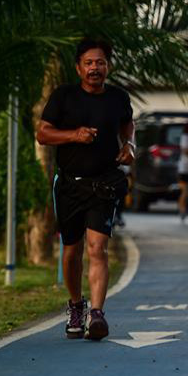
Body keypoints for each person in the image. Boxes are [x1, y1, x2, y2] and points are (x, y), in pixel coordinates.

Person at [36, 38, 134, 341]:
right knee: (71, 251)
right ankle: (77, 305)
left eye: (100, 62)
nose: (95, 68)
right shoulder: (64, 96)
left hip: (104, 183)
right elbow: (43, 133)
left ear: (108, 66)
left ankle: (97, 314)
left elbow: (127, 125)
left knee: (97, 248)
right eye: (89, 63)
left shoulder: (118, 97)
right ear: (79, 68)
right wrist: (74, 135)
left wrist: (129, 146)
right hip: (68, 184)